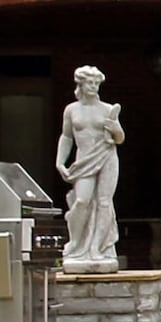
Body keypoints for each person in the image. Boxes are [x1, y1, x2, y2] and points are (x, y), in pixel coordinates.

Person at [59, 67, 126, 270]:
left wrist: (116, 130)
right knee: (82, 201)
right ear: (80, 83)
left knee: (105, 202)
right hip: (84, 159)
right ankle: (77, 244)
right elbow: (67, 137)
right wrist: (60, 162)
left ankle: (97, 248)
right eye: (90, 83)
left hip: (106, 155)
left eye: (96, 83)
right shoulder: (71, 109)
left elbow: (120, 138)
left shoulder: (107, 109)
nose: (93, 87)